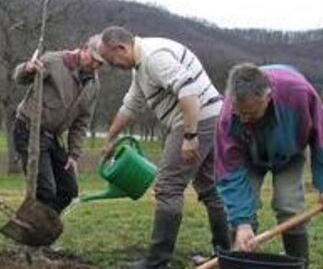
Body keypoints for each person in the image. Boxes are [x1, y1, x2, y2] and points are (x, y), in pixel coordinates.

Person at [98, 26, 230, 268]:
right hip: (212, 117)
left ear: (120, 48)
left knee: (168, 187)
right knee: (208, 186)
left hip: (196, 119)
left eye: (110, 60)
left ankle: (157, 262)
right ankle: (226, 254)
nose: (111, 66)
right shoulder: (140, 67)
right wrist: (109, 138)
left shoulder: (154, 57)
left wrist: (190, 135)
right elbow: (130, 106)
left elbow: (188, 90)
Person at [215, 63, 323, 267]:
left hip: (289, 151)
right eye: (241, 114)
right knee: (241, 220)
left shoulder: (299, 94)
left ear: (268, 97)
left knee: (289, 206)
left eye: (251, 113)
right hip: (247, 156)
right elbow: (229, 170)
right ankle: (240, 260)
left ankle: (298, 264)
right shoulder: (229, 115)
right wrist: (242, 222)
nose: (244, 119)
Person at [12, 35, 104, 214]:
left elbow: (82, 121)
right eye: (93, 60)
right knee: (45, 190)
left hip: (53, 138)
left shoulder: (94, 85)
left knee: (68, 191)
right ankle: (32, 232)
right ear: (84, 48)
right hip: (28, 129)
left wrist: (73, 154)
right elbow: (19, 78)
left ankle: (39, 226)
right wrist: (28, 69)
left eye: (101, 64)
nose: (95, 66)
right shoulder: (54, 61)